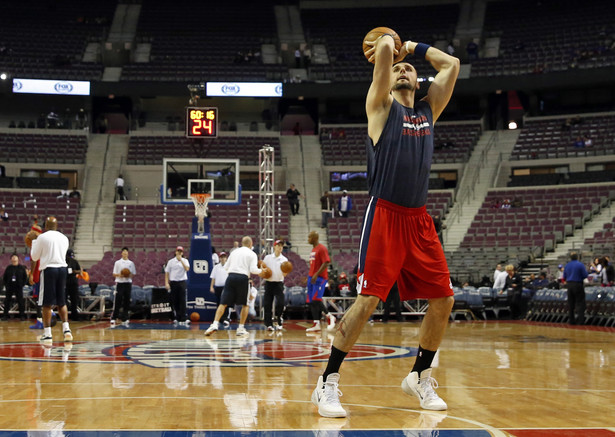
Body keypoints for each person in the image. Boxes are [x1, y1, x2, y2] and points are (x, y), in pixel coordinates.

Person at [311, 32, 459, 418]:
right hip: (386, 215)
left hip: (419, 219)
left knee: (444, 298)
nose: (404, 69)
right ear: (388, 80)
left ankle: (420, 375)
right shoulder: (380, 106)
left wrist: (413, 48)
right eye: (397, 69)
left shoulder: (428, 111)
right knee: (368, 301)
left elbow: (452, 65)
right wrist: (390, 47)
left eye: (409, 69)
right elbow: (382, 60)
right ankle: (327, 382)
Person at [204, 236, 267, 337]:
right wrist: (262, 272)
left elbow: (226, 267)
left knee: (223, 303)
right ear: (251, 244)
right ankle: (241, 328)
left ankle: (214, 324)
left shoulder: (234, 252)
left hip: (230, 277)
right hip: (243, 278)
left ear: (242, 243)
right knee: (245, 304)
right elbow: (253, 270)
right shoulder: (252, 254)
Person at [30, 217, 72, 344]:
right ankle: (67, 330)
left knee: (46, 304)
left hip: (49, 270)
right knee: (61, 302)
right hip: (62, 269)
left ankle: (47, 334)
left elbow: (34, 256)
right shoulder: (64, 238)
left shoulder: (42, 237)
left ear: (46, 225)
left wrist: (34, 242)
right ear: (57, 225)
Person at [305, 230, 336, 332]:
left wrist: (316, 274)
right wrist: (310, 276)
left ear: (315, 238)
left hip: (320, 278)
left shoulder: (322, 248)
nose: (308, 239)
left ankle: (330, 316)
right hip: (312, 277)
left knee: (316, 300)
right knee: (312, 302)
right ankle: (316, 323)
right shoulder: (313, 249)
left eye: (310, 237)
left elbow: (326, 262)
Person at [262, 239, 289, 331]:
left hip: (279, 283)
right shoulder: (267, 258)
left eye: (281, 246)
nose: (280, 247)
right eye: (278, 245)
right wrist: (264, 272)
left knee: (281, 303)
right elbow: (263, 269)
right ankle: (268, 323)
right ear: (274, 246)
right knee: (267, 304)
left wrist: (286, 272)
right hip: (269, 283)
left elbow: (285, 273)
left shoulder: (285, 260)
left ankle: (279, 319)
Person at [165, 246, 190, 325]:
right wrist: (166, 282)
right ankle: (176, 317)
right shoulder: (171, 262)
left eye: (180, 252)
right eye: (178, 251)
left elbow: (187, 269)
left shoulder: (185, 261)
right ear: (175, 252)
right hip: (173, 282)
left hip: (182, 282)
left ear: (182, 253)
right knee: (175, 300)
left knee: (182, 300)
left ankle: (183, 318)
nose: (179, 253)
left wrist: (181, 261)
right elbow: (167, 272)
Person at [111, 247, 136, 326]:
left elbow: (133, 274)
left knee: (126, 301)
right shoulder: (117, 262)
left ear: (128, 253)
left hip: (128, 283)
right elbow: (114, 274)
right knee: (118, 300)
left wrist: (128, 275)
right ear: (121, 253)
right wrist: (121, 275)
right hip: (120, 283)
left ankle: (125, 318)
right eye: (124, 252)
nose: (125, 253)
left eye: (126, 252)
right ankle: (114, 317)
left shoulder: (131, 263)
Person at [563, 253, 588, 325]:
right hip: (577, 284)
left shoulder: (567, 265)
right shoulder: (580, 264)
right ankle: (580, 321)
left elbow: (564, 276)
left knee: (571, 303)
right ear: (577, 257)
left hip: (569, 285)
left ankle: (571, 320)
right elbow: (585, 275)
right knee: (580, 303)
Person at [2, 254, 28, 320]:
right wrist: (6, 285)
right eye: (12, 257)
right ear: (11, 259)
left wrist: (22, 284)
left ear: (18, 259)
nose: (14, 258)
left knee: (20, 301)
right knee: (7, 301)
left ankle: (22, 316)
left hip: (18, 287)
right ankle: (5, 315)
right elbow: (4, 277)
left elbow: (25, 277)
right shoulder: (8, 268)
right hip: (9, 287)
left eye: (15, 257)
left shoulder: (21, 268)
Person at [210, 251, 230, 327]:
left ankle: (226, 318)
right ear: (219, 258)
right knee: (219, 303)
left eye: (224, 257)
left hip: (226, 287)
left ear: (226, 258)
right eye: (221, 257)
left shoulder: (229, 266)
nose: (223, 259)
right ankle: (219, 319)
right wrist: (211, 286)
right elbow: (213, 278)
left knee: (226, 304)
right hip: (218, 287)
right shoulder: (216, 267)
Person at [65, 249, 82, 321]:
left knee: (74, 300)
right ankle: (64, 316)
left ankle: (74, 316)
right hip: (64, 282)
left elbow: (80, 271)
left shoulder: (75, 262)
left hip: (73, 283)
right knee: (64, 301)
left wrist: (74, 271)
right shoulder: (62, 262)